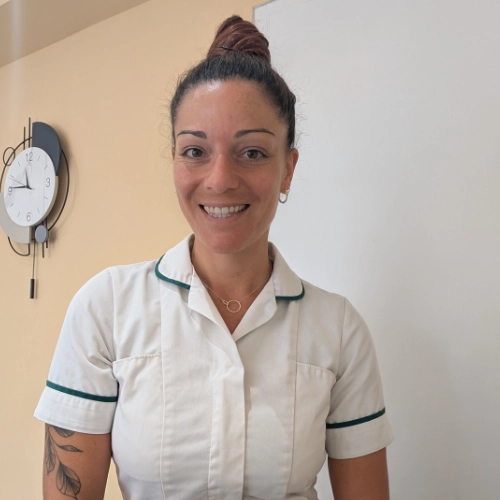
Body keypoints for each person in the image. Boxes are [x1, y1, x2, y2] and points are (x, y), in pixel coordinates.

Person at [35, 15, 394, 500]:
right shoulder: (106, 309)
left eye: (253, 153)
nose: (220, 179)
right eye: (195, 151)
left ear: (288, 169)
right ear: (174, 159)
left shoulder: (339, 331)